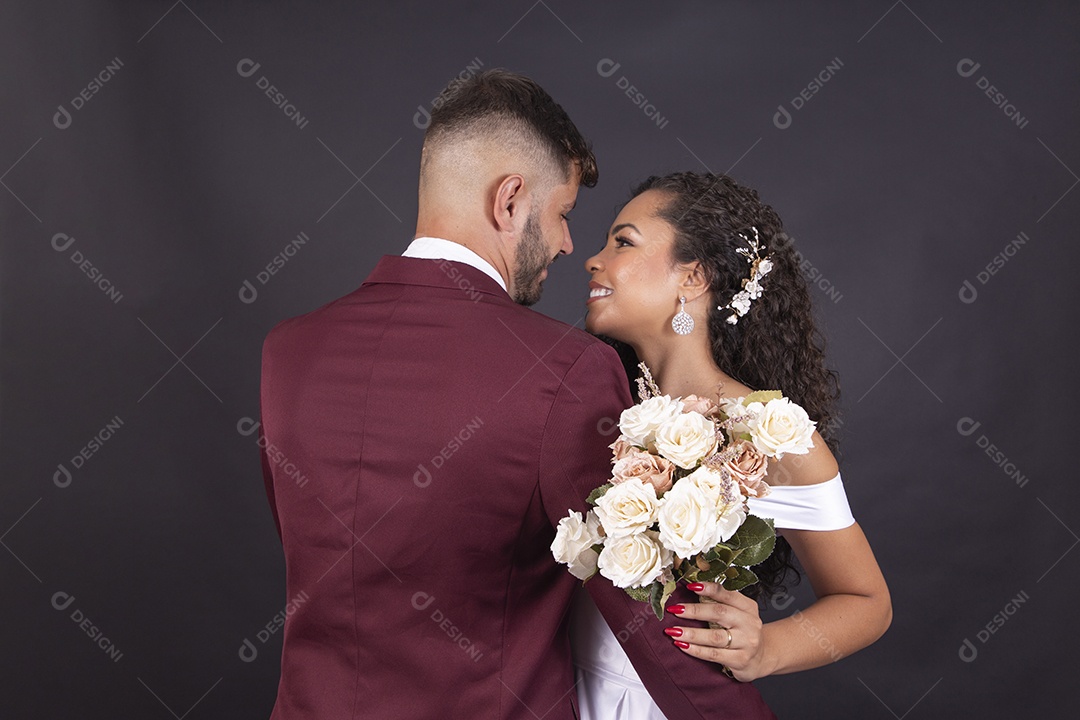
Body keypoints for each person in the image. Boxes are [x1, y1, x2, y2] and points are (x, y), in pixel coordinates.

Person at [258, 71, 774, 719]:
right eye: (562, 215)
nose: (566, 243)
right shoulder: (567, 370)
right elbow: (639, 608)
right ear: (509, 201)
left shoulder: (288, 349)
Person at [573, 171, 893, 717]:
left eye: (622, 242)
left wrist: (766, 649)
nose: (592, 260)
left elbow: (868, 603)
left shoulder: (769, 434)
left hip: (664, 700)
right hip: (553, 688)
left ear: (693, 277)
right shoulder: (584, 403)